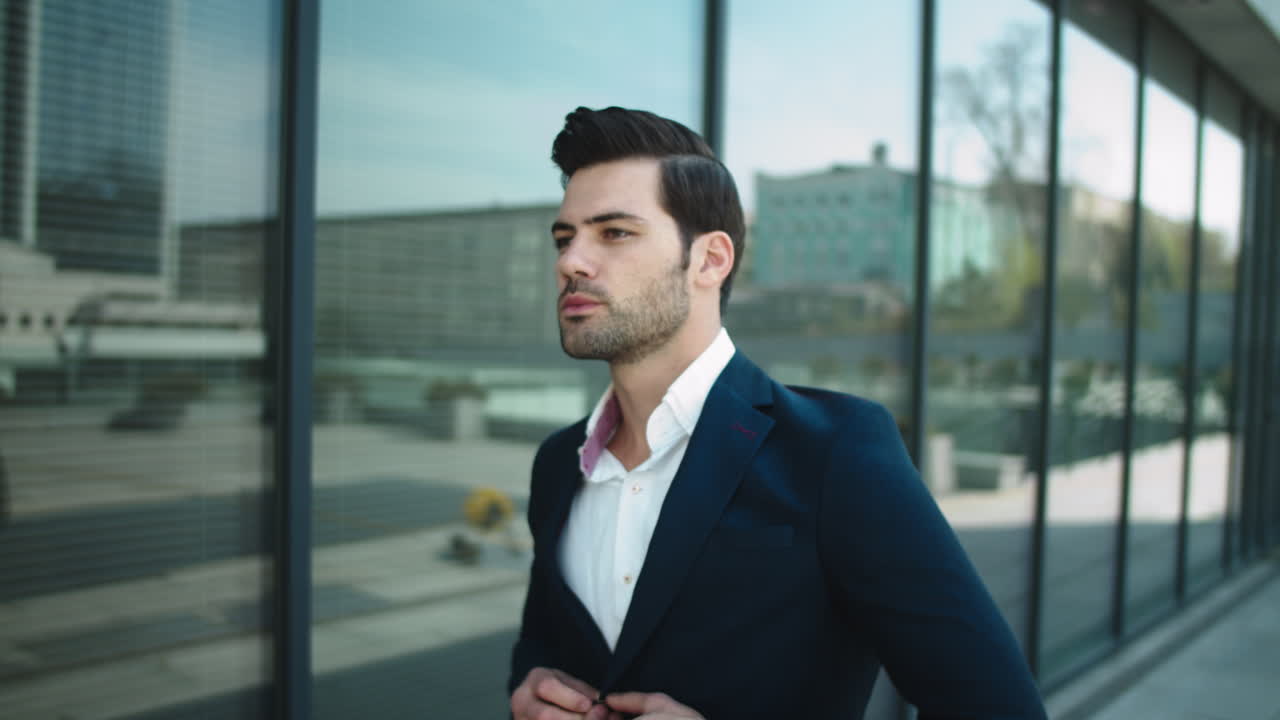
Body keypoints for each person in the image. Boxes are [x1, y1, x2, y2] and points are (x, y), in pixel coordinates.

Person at [508, 106, 1047, 720]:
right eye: (564, 237)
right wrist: (528, 689)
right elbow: (541, 648)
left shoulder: (835, 450)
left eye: (614, 233)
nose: (571, 261)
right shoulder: (558, 464)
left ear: (710, 260)